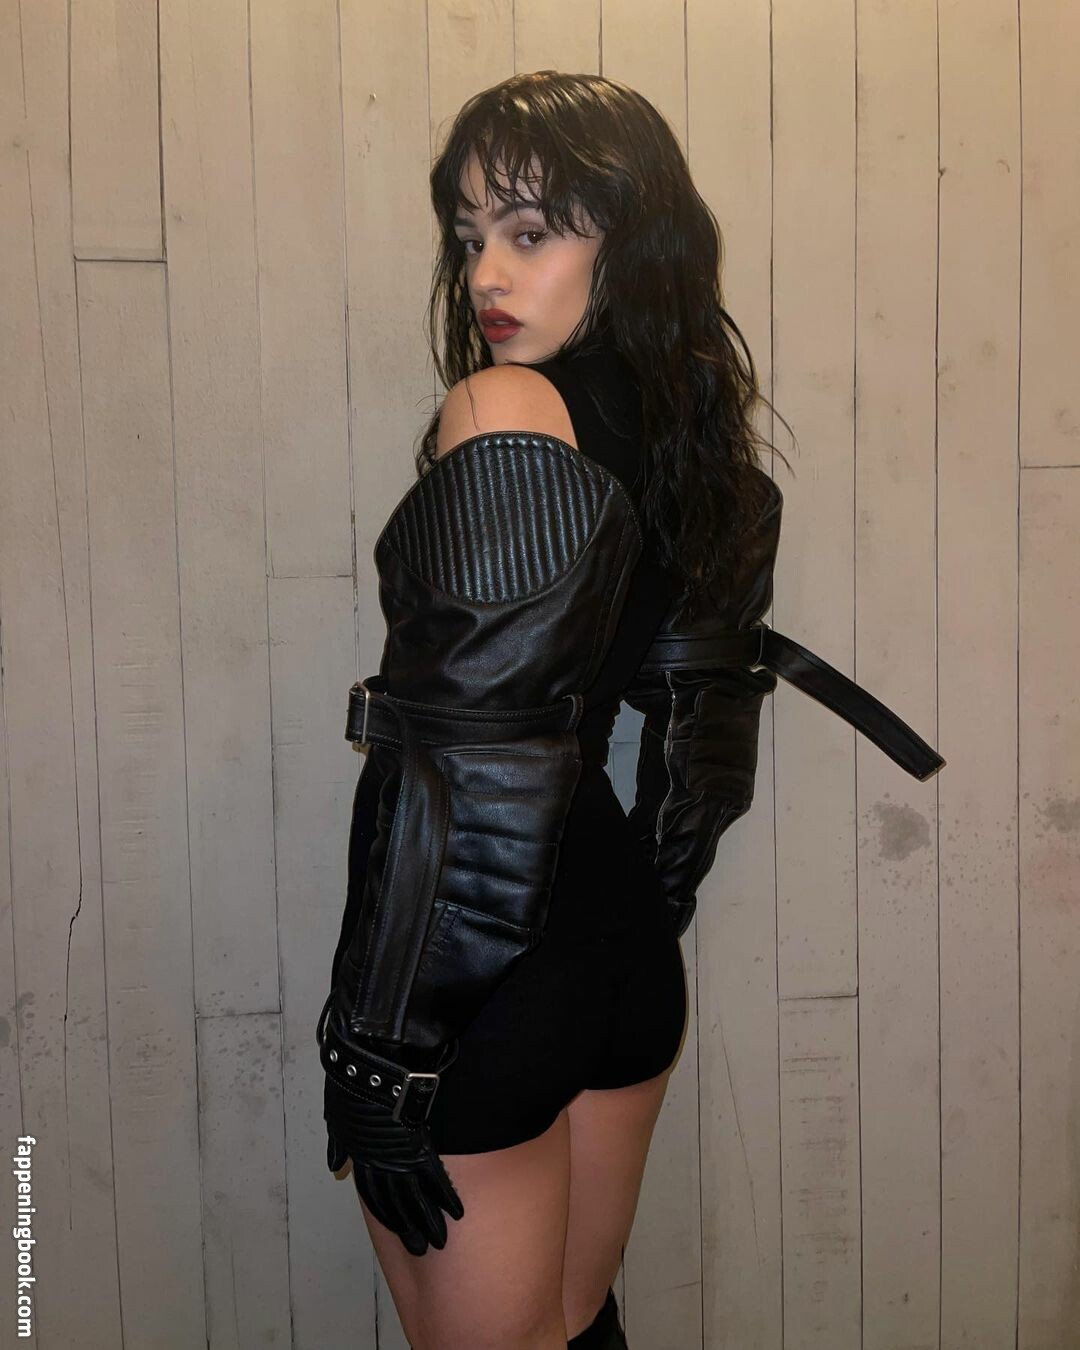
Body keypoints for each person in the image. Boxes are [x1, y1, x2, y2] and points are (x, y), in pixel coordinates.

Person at [315, 71, 944, 1350]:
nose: (488, 273)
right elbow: (703, 744)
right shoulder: (696, 445)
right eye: (469, 236)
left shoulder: (502, 407)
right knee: (573, 1321)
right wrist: (630, 922)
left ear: (630, 235)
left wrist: (384, 1050)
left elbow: (468, 763)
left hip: (480, 987)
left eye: (531, 232)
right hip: (620, 968)